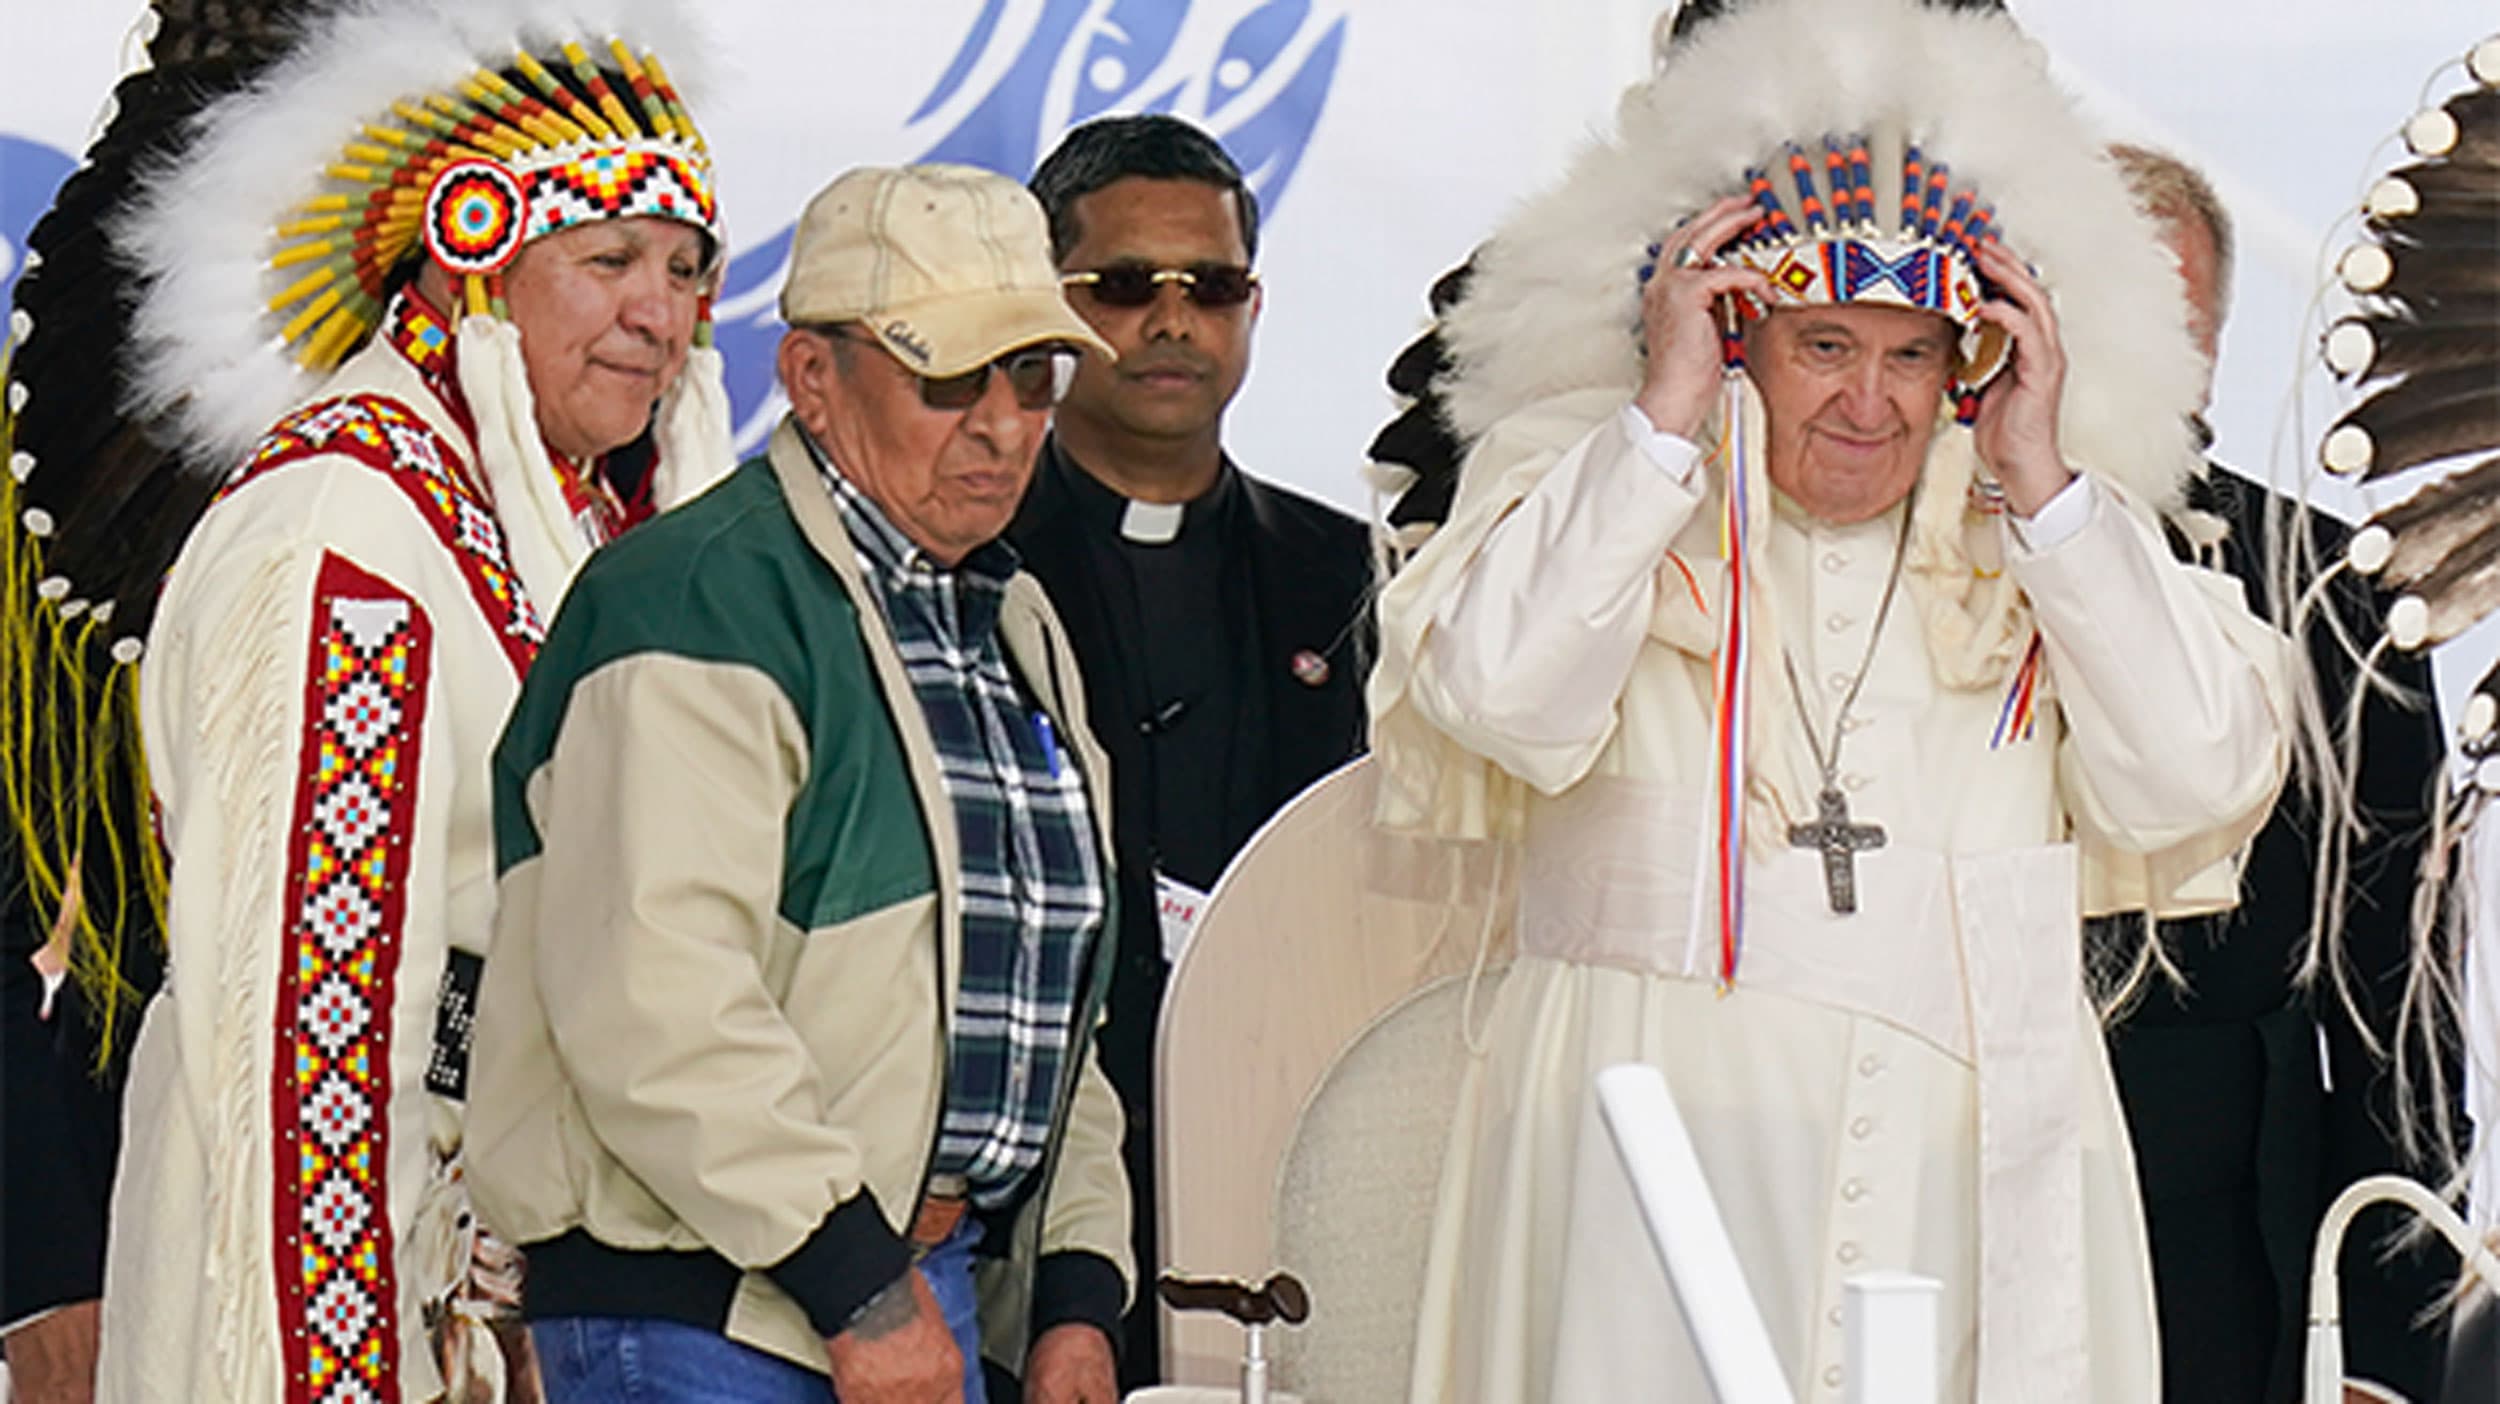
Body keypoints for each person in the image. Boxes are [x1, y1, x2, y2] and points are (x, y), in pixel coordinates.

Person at [1365, 0, 2292, 1398]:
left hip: (1967, 1171)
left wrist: (2045, 484)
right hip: (1640, 1161)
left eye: (1912, 352)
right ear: (1733, 335)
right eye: (1823, 348)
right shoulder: (1589, 480)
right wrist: (1659, 430)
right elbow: (1502, 695)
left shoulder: (2043, 526)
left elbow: (2196, 778)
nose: (1871, 404)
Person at [3, 5, 738, 1400]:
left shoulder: (541, 515)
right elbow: (313, 1054)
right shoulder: (343, 543)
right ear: (474, 263)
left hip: (487, 1285)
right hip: (318, 1307)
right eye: (609, 260)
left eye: (687, 267)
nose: (664, 312)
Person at [466, 163, 1131, 1404]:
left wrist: (1076, 1293)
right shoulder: (698, 595)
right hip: (717, 1316)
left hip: (897, 1293)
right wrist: (860, 1291)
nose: (1000, 424)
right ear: (811, 381)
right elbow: (655, 1002)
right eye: (946, 378)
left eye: (1032, 375)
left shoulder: (1011, 618)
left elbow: (1052, 999)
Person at [2092, 143, 2457, 1404]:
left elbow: (2396, 1005)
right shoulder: (1898, 572)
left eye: (2167, 315)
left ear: (2214, 341)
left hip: (2229, 1256)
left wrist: (2389, 1348)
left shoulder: (2338, 601)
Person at [1012, 112, 1372, 1383]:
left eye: (1209, 287)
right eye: (1122, 288)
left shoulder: (1344, 573)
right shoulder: (968, 562)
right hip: (1038, 1198)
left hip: (1290, 1173)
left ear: (1252, 306)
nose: (1172, 322)